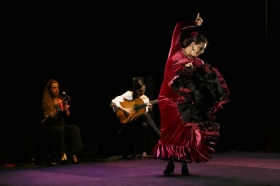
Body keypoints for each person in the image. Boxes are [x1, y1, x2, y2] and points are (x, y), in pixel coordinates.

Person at [151, 13, 230, 175]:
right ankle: (170, 163)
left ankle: (184, 165)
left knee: (186, 133)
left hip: (183, 102)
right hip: (166, 98)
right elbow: (179, 26)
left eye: (203, 50)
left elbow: (203, 84)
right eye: (200, 49)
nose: (201, 53)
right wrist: (193, 23)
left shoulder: (198, 63)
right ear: (193, 44)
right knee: (169, 131)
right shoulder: (175, 49)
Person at [111, 78, 161, 158]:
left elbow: (146, 116)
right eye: (140, 91)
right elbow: (114, 102)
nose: (142, 93)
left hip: (136, 123)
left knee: (144, 124)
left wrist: (150, 109)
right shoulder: (128, 95)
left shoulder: (145, 99)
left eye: (143, 90)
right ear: (135, 90)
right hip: (127, 123)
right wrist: (124, 109)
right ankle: (161, 137)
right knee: (144, 116)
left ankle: (143, 151)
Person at [42, 79, 83, 164]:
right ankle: (62, 155)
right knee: (59, 130)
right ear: (49, 89)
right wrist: (55, 110)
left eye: (57, 87)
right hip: (51, 126)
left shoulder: (61, 99)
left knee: (75, 129)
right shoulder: (46, 101)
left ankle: (74, 155)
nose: (56, 89)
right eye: (54, 88)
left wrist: (66, 110)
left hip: (62, 125)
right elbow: (48, 117)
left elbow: (67, 115)